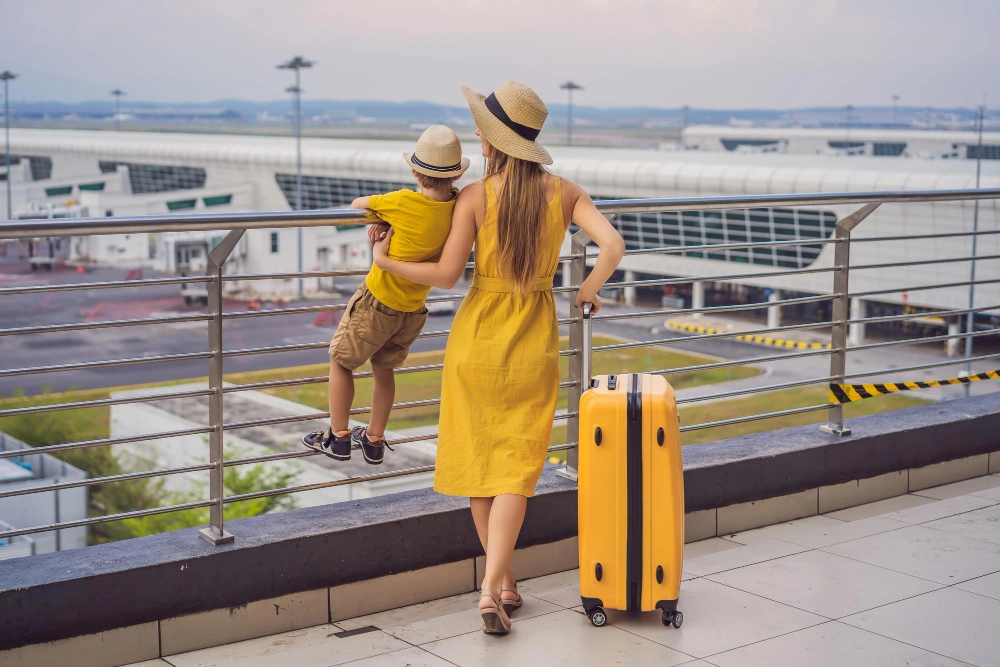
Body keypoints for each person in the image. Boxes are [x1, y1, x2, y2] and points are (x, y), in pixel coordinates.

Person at [372, 82, 624, 634]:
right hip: (533, 337)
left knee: (480, 468)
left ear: (490, 140)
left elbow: (442, 276)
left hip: (476, 337)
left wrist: (385, 261)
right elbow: (614, 246)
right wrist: (587, 291)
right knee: (515, 467)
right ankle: (498, 584)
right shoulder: (564, 193)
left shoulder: (475, 197)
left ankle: (498, 585)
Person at [302, 125, 470, 465]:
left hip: (378, 300)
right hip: (413, 310)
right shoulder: (457, 207)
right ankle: (375, 439)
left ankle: (338, 435)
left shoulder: (402, 201)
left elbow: (357, 204)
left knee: (341, 362)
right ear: (454, 176)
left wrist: (384, 222)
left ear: (414, 171)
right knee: (384, 371)